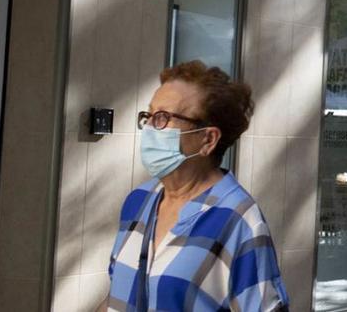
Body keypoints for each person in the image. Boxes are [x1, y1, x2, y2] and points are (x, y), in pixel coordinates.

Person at [104, 61, 288, 311]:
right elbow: (118, 297)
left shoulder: (239, 220)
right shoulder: (138, 200)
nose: (149, 128)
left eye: (163, 118)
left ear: (208, 139)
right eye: (148, 115)